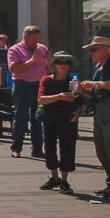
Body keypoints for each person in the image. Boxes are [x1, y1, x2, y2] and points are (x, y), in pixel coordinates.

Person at [77, 35, 110, 201]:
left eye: (94, 49)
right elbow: (94, 92)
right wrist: (79, 89)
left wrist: (96, 85)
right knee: (102, 150)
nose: (91, 53)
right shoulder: (99, 67)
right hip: (100, 108)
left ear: (107, 50)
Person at [36, 52, 81, 193]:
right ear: (54, 65)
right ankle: (54, 177)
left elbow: (83, 101)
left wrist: (79, 113)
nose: (63, 65)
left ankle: (65, 181)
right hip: (50, 117)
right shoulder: (46, 80)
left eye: (66, 63)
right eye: (60, 62)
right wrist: (60, 96)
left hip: (69, 118)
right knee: (49, 147)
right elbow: (41, 99)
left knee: (67, 148)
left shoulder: (74, 81)